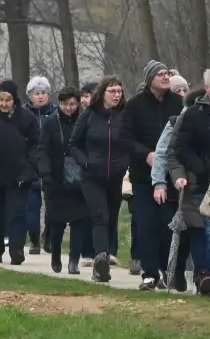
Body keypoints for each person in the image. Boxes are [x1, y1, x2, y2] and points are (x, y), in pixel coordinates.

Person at [159, 68, 210, 296]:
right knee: (208, 231)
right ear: (207, 88)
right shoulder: (193, 115)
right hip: (202, 185)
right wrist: (198, 169)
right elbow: (179, 149)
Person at [124, 61, 186, 289]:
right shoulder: (135, 106)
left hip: (172, 175)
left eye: (167, 73)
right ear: (150, 79)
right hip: (143, 176)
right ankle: (149, 273)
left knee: (169, 224)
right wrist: (146, 154)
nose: (165, 77)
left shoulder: (178, 104)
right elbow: (126, 138)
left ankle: (168, 268)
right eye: (160, 74)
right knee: (146, 223)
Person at [69, 77, 131, 283]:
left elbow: (132, 141)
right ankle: (101, 258)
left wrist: (126, 162)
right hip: (92, 176)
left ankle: (103, 253)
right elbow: (73, 145)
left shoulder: (125, 116)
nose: (116, 95)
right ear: (102, 93)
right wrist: (86, 163)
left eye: (119, 91)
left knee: (111, 217)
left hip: (116, 176)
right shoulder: (89, 116)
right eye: (112, 91)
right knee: (99, 215)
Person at [0, 80, 40, 264]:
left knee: (16, 213)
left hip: (19, 175)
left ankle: (16, 250)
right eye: (0, 99)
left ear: (15, 100)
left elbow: (36, 146)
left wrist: (28, 169)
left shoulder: (27, 118)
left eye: (8, 100)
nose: (4, 103)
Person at [38, 88, 87, 273]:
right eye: (65, 104)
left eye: (72, 104)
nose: (69, 108)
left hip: (79, 179)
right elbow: (42, 149)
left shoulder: (84, 120)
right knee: (57, 222)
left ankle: (74, 260)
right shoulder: (51, 122)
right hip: (56, 178)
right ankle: (56, 255)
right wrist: (45, 173)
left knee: (79, 221)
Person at [21, 77, 54, 253]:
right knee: (32, 206)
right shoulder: (23, 114)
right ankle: (34, 240)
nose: (40, 97)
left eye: (43, 93)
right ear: (30, 95)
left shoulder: (56, 113)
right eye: (36, 94)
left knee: (52, 206)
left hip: (51, 164)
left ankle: (48, 237)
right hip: (31, 165)